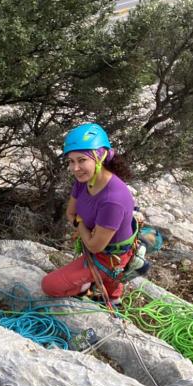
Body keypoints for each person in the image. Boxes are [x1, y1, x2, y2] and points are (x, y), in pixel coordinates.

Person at [41, 123, 137, 306]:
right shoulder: (84, 180)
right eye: (71, 161)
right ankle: (110, 292)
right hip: (99, 247)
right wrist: (83, 228)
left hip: (108, 259)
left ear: (99, 157)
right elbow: (70, 212)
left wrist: (80, 224)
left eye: (82, 160)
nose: (75, 168)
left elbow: (94, 246)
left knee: (49, 285)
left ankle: (94, 289)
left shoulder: (113, 199)